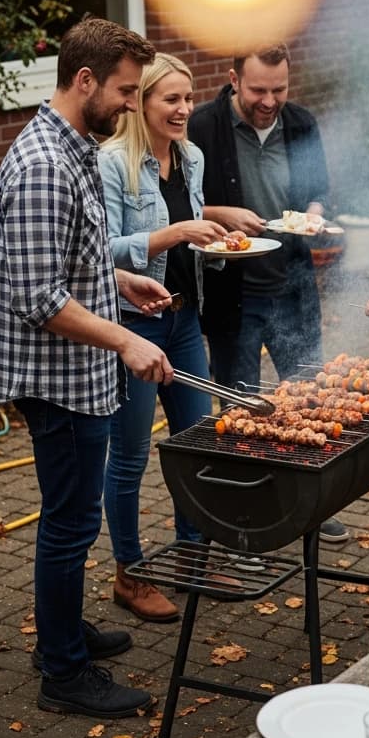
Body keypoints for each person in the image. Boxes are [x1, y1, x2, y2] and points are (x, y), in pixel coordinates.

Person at [0, 16, 173, 718]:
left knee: (73, 517)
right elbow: (36, 297)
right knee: (68, 523)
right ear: (84, 80)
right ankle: (62, 671)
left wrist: (122, 285)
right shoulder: (41, 165)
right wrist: (124, 341)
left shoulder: (76, 146)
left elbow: (68, 264)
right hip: (54, 379)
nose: (130, 105)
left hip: (77, 370)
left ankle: (64, 631)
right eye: (124, 91)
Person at [189, 43, 347, 543]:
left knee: (307, 396)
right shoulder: (200, 127)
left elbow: (318, 188)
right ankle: (245, 518)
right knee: (241, 406)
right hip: (232, 291)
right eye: (258, 89)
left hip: (291, 285)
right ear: (235, 80)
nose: (269, 100)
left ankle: (312, 506)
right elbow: (184, 204)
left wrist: (316, 213)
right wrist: (220, 214)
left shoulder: (301, 122)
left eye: (279, 89)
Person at [99, 54, 233, 623]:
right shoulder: (110, 163)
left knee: (196, 443)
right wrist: (173, 233)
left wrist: (212, 241)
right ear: (142, 103)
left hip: (183, 319)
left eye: (188, 98)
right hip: (133, 323)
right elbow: (98, 250)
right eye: (170, 100)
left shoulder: (191, 156)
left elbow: (192, 230)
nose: (184, 110)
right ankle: (130, 574)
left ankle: (193, 556)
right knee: (129, 456)